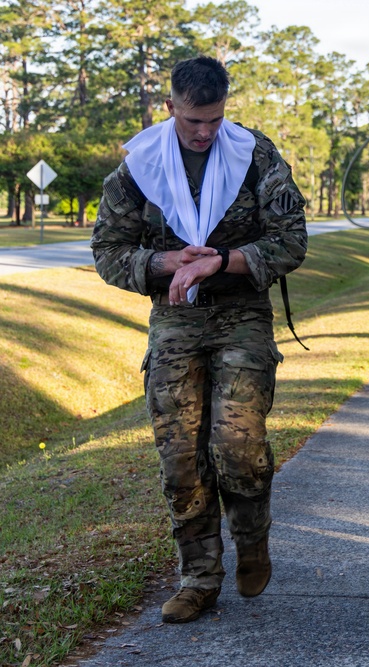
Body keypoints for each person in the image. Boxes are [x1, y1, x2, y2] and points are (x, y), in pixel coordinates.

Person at [91, 56, 307, 624]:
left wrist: (225, 261)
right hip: (176, 318)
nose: (206, 133)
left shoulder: (254, 155)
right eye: (193, 122)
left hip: (241, 314)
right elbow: (108, 253)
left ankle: (252, 537)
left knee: (237, 445)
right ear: (170, 109)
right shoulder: (140, 166)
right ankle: (199, 578)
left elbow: (291, 241)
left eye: (214, 119)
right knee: (180, 456)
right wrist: (165, 260)